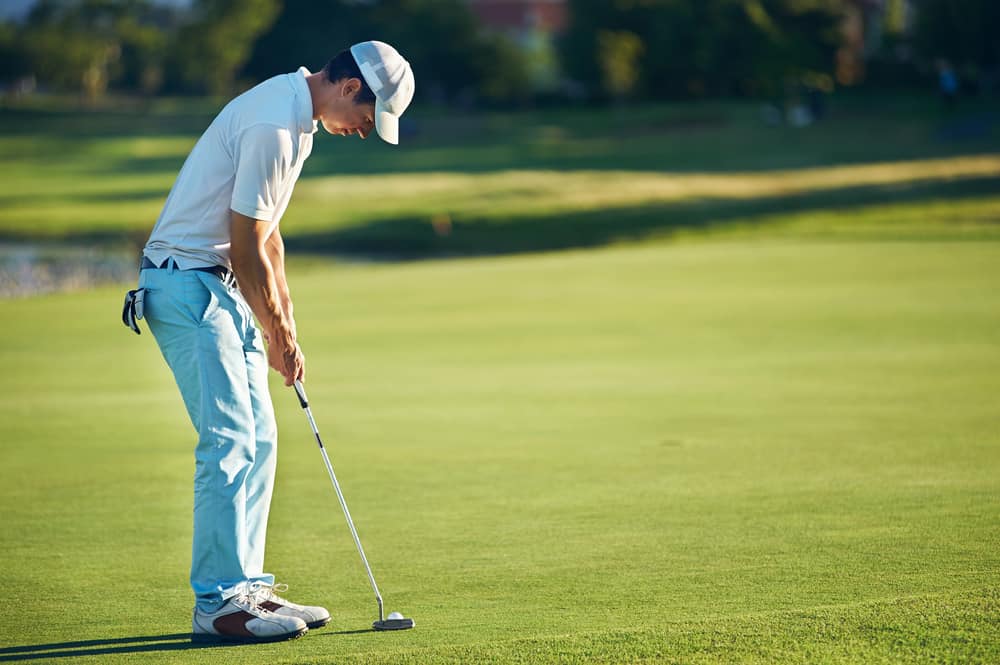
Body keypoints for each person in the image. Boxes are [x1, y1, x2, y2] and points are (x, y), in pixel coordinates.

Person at [125, 41, 415, 643]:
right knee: (229, 440)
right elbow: (245, 239)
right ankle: (219, 603)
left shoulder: (297, 121)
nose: (364, 131)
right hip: (187, 285)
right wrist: (274, 329)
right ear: (351, 87)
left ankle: (247, 587)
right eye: (368, 118)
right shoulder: (272, 122)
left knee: (260, 436)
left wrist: (285, 326)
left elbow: (270, 237)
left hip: (221, 286)